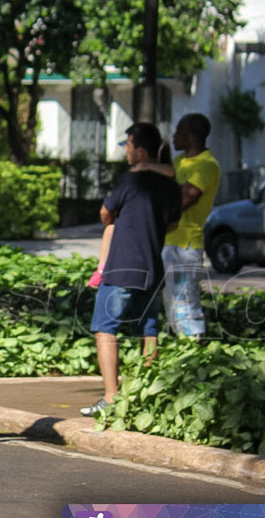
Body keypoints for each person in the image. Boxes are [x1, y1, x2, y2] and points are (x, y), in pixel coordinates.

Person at [80, 123, 181, 418]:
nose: (124, 150)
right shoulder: (171, 186)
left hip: (122, 267)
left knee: (104, 329)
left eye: (127, 144)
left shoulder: (131, 181)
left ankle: (111, 399)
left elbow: (105, 213)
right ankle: (148, 394)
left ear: (141, 150)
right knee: (148, 331)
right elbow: (173, 223)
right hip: (152, 267)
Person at [158, 114, 221, 338]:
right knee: (171, 302)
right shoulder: (178, 163)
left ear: (192, 136)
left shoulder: (207, 165)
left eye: (178, 132)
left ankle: (193, 350)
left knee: (185, 300)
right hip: (169, 241)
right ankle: (183, 350)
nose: (174, 136)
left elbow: (184, 199)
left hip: (185, 245)